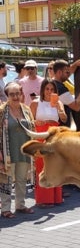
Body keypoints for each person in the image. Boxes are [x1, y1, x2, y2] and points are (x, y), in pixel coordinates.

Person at [29, 79, 67, 208]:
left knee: (56, 165)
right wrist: (36, 122)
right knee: (41, 166)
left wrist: (58, 108)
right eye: (47, 89)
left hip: (54, 135)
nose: (49, 92)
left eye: (52, 89)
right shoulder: (35, 103)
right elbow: (29, 121)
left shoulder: (58, 102)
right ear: (43, 90)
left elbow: (64, 119)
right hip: (40, 135)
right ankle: (43, 199)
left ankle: (56, 198)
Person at [0, 82, 35, 218]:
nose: (15, 97)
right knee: (6, 181)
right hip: (7, 152)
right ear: (7, 95)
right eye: (12, 94)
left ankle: (20, 205)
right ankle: (6, 209)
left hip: (24, 151)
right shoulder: (2, 111)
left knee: (21, 180)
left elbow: (32, 128)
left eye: (17, 93)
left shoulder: (26, 109)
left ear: (21, 94)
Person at [51, 59, 80, 126]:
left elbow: (68, 72)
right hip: (61, 127)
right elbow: (76, 106)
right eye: (67, 72)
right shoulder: (61, 88)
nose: (68, 75)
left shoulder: (51, 84)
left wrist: (75, 64)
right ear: (59, 72)